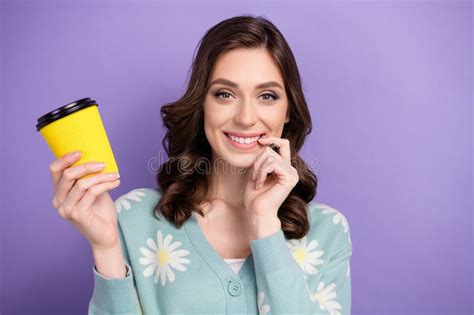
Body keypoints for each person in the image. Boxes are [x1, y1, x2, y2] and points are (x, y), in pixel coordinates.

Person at [49, 14, 352, 315]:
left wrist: (265, 222)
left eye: (267, 95)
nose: (246, 118)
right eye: (224, 94)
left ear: (288, 110)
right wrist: (106, 248)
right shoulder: (132, 219)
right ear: (201, 104)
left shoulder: (328, 233)